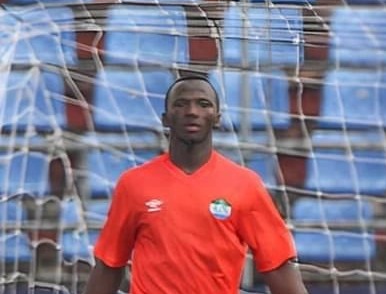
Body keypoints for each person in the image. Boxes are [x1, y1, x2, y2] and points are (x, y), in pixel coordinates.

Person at [85, 73, 307, 294]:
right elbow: (109, 264)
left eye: (203, 104)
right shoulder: (133, 183)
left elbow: (278, 266)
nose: (192, 112)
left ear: (217, 118)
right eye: (181, 104)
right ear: (166, 118)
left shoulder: (245, 184)